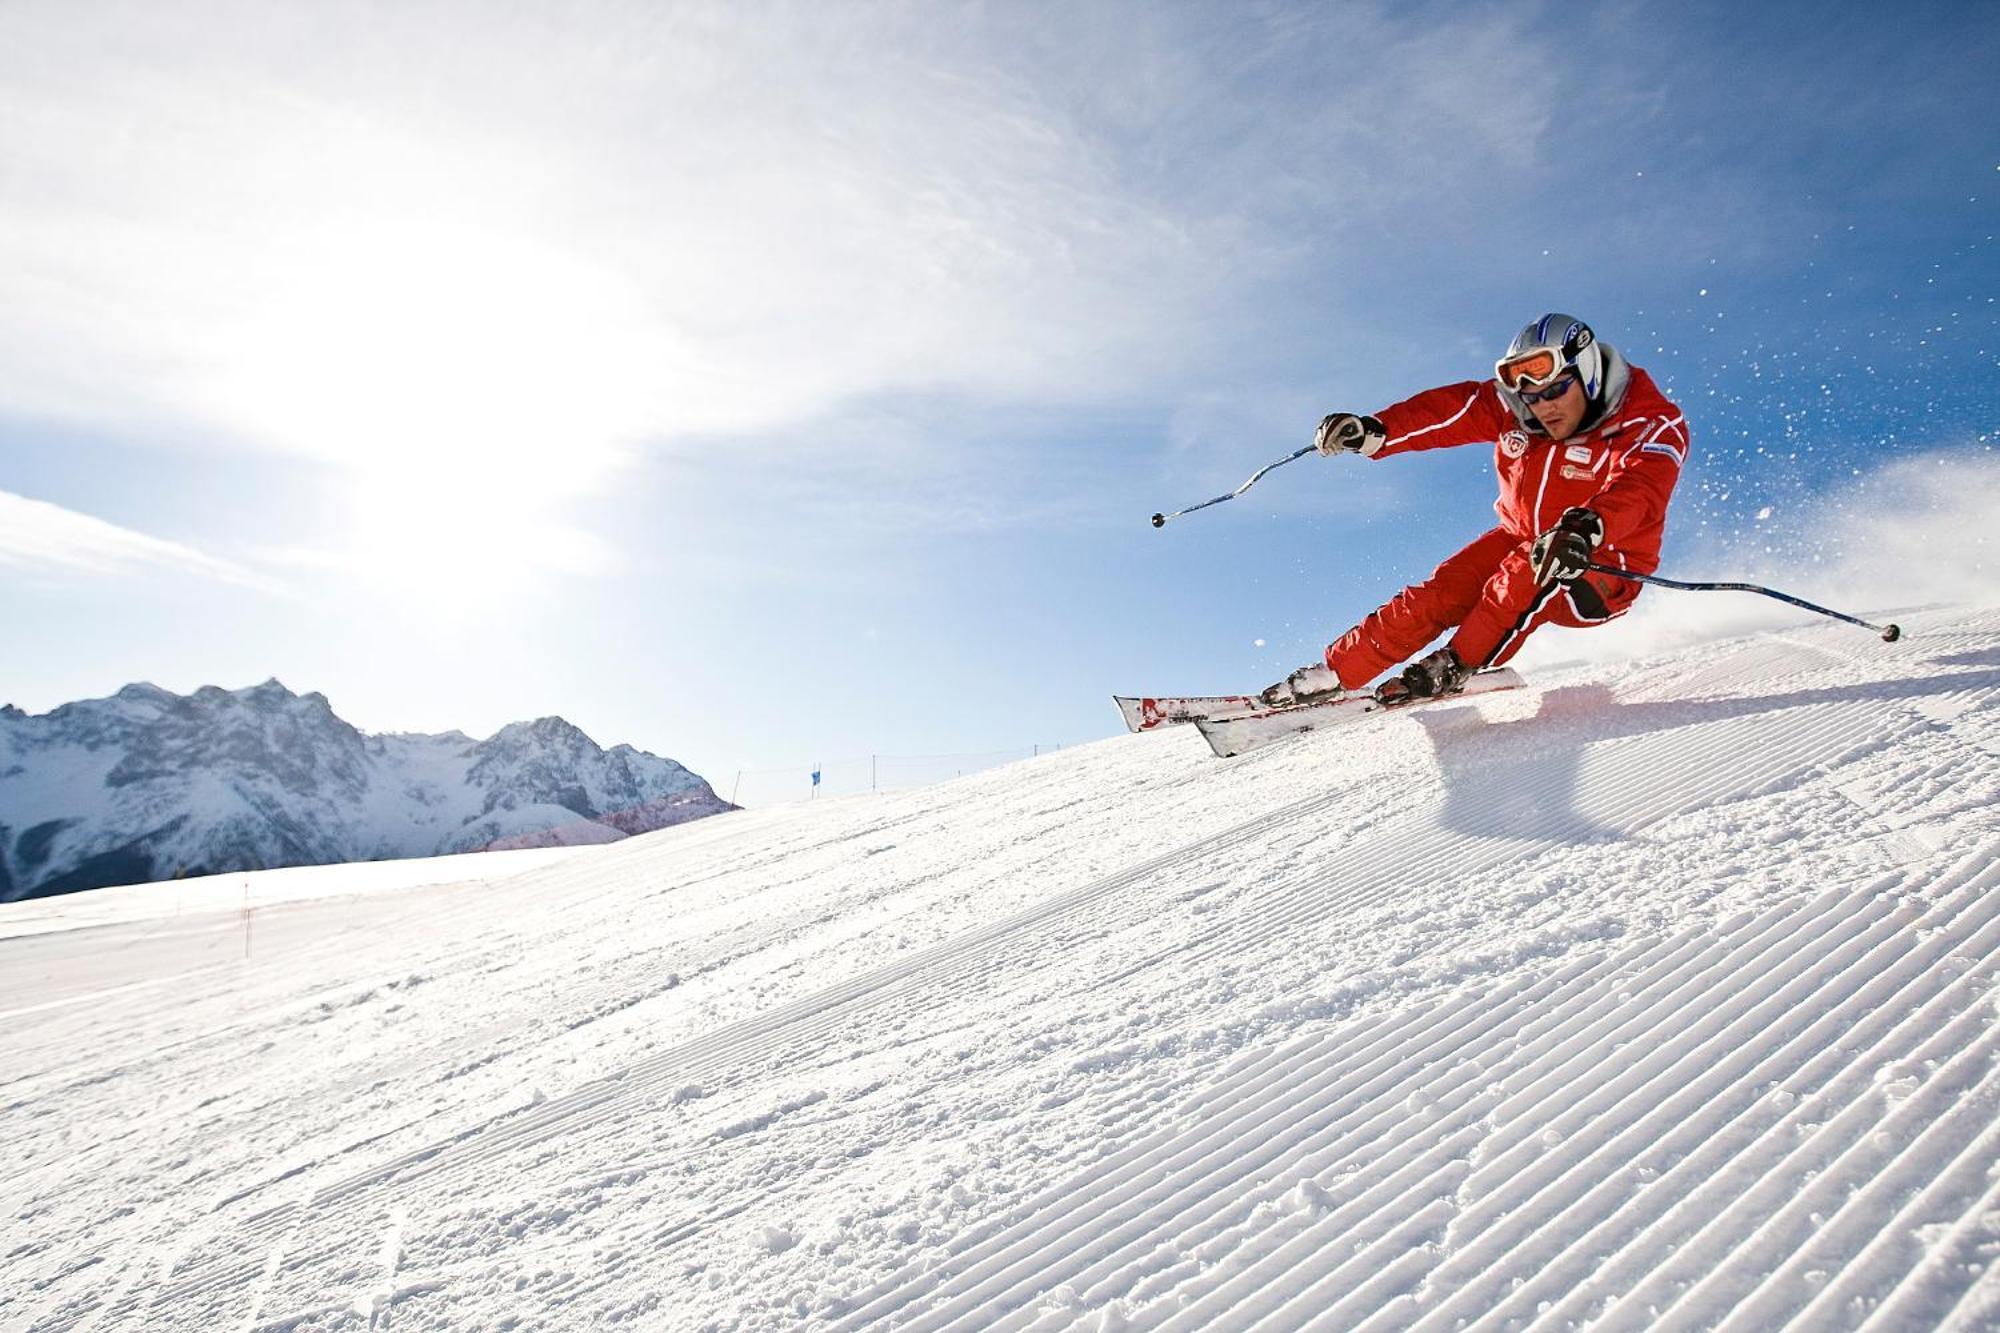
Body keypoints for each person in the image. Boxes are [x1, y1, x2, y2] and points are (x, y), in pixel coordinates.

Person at [1262, 313, 1689, 708]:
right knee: (1442, 591)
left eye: (1556, 390)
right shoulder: (1516, 411)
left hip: (1599, 563)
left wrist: (1588, 527)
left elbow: (1643, 486)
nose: (1545, 407)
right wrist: (1378, 432)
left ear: (1589, 373)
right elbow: (1452, 411)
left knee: (1528, 571)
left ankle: (1453, 665)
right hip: (1522, 537)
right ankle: (1335, 674)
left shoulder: (1649, 422)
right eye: (1533, 397)